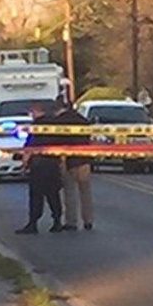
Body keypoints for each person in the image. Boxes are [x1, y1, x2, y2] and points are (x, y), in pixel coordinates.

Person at [16, 103, 64, 234]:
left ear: (36, 111)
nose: (30, 115)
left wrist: (25, 163)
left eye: (31, 112)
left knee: (36, 195)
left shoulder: (36, 126)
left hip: (39, 164)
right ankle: (57, 221)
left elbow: (31, 146)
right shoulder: (55, 125)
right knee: (53, 194)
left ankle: (33, 223)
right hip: (53, 163)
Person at [51, 98, 94, 231]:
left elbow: (56, 142)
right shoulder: (82, 120)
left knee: (70, 192)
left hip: (67, 159)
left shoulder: (58, 122)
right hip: (84, 159)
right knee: (85, 192)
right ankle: (88, 220)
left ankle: (71, 221)